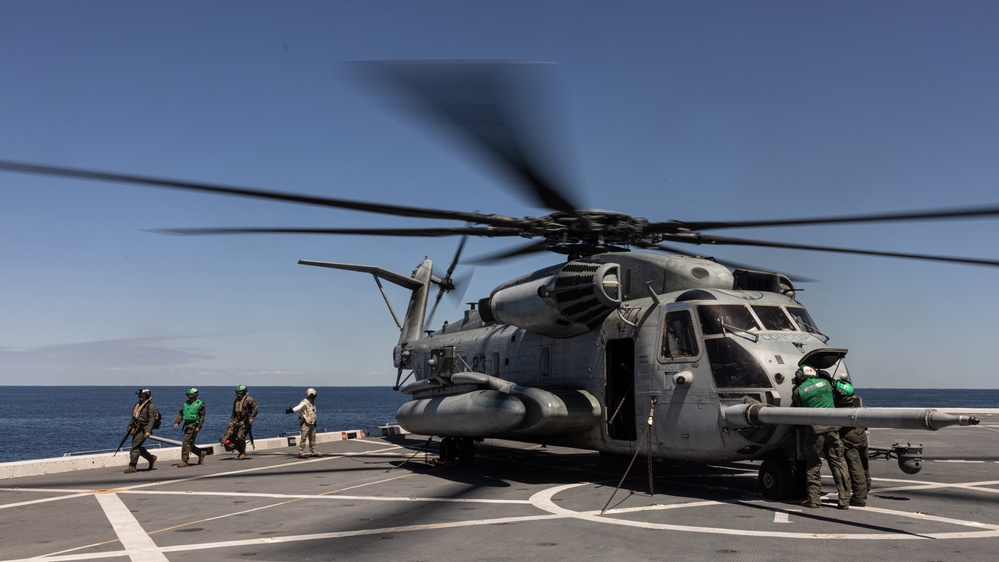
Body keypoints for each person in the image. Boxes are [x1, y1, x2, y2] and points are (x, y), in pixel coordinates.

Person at [792, 366, 850, 509]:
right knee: (838, 462)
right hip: (833, 429)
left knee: (813, 464)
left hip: (814, 431)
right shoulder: (826, 383)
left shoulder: (798, 391)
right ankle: (844, 500)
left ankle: (814, 499)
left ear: (801, 376)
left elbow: (798, 410)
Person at [828, 375, 871, 507]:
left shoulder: (838, 405)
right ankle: (866, 489)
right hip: (861, 434)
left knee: (855, 468)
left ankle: (859, 497)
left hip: (849, 438)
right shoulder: (853, 397)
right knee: (864, 466)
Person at [124, 388, 159, 474]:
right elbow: (133, 416)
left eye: (142, 395)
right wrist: (129, 426)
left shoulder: (150, 406)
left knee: (135, 448)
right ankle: (151, 458)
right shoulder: (137, 405)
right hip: (136, 429)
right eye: (140, 395)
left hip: (143, 429)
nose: (140, 397)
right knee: (137, 446)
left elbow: (152, 419)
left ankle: (132, 466)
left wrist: (148, 431)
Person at [221, 385, 258, 460]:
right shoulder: (236, 400)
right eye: (237, 392)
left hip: (245, 422)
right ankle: (238, 450)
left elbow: (256, 408)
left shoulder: (249, 399)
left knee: (240, 436)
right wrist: (231, 421)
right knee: (227, 438)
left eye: (240, 392)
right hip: (236, 422)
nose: (238, 394)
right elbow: (233, 412)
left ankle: (242, 452)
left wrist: (251, 417)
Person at [173, 387, 207, 467]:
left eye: (191, 394)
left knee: (186, 442)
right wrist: (177, 422)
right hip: (186, 425)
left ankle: (184, 460)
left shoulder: (200, 404)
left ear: (195, 394)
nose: (190, 396)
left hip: (194, 425)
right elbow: (181, 413)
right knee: (189, 443)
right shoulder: (186, 403)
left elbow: (202, 416)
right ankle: (200, 453)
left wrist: (199, 426)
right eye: (189, 394)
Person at [286, 388, 319, 458]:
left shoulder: (312, 403)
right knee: (303, 438)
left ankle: (313, 451)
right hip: (306, 423)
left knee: (313, 438)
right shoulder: (305, 402)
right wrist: (292, 410)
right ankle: (301, 452)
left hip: (312, 423)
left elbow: (313, 413)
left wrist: (315, 421)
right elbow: (299, 407)